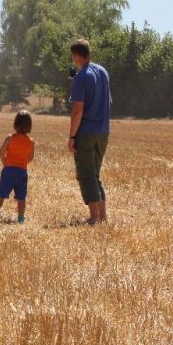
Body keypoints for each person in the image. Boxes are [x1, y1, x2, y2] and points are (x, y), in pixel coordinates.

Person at [68, 38, 111, 225]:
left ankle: (94, 217)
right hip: (103, 131)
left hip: (86, 132)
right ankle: (102, 215)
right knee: (95, 174)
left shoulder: (81, 77)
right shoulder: (102, 72)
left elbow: (78, 109)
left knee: (86, 174)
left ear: (76, 56)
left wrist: (71, 136)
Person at [0, 111, 34, 223]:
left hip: (8, 170)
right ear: (29, 125)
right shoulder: (31, 142)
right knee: (21, 198)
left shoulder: (10, 138)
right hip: (22, 172)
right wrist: (21, 164)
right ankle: (20, 219)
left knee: (1, 195)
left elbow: (1, 153)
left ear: (16, 123)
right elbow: (30, 158)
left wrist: (6, 163)